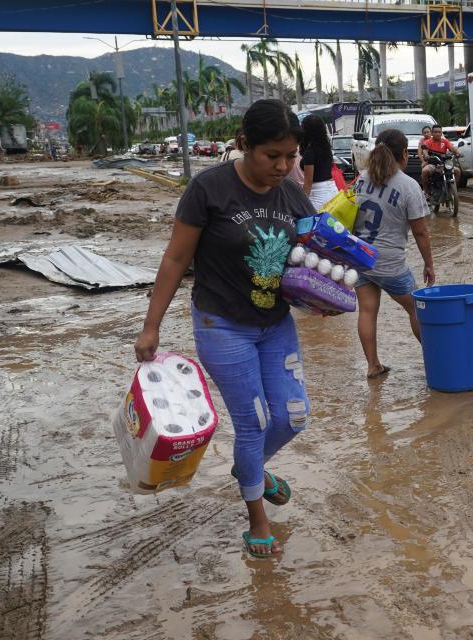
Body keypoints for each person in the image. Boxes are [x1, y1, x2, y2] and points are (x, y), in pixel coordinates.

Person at [134, 99, 316, 558]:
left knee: (293, 415)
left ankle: (248, 470)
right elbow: (176, 259)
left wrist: (322, 300)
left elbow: (309, 263)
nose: (282, 165)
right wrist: (150, 326)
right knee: (253, 423)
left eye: (290, 156)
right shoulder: (207, 190)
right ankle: (257, 518)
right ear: (243, 145)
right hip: (222, 325)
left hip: (275, 323)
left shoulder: (292, 194)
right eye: (271, 155)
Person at [352, 129, 435, 379]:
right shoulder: (409, 186)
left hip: (360, 258)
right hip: (390, 264)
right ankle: (437, 358)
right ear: (403, 154)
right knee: (418, 309)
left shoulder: (361, 179)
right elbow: (421, 233)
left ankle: (373, 365)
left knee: (366, 311)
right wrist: (429, 264)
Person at [299, 114, 338, 209]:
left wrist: (301, 205)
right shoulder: (326, 148)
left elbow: (308, 182)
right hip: (333, 190)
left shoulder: (310, 151)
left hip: (318, 195)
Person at [420, 124, 462, 196]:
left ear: (441, 133)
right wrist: (426, 155)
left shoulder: (445, 141)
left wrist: (458, 152)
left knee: (457, 171)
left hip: (444, 164)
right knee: (424, 171)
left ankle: (452, 189)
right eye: (435, 132)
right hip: (432, 164)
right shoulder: (428, 142)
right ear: (432, 133)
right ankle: (426, 192)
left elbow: (452, 148)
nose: (437, 134)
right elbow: (424, 150)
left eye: (439, 132)